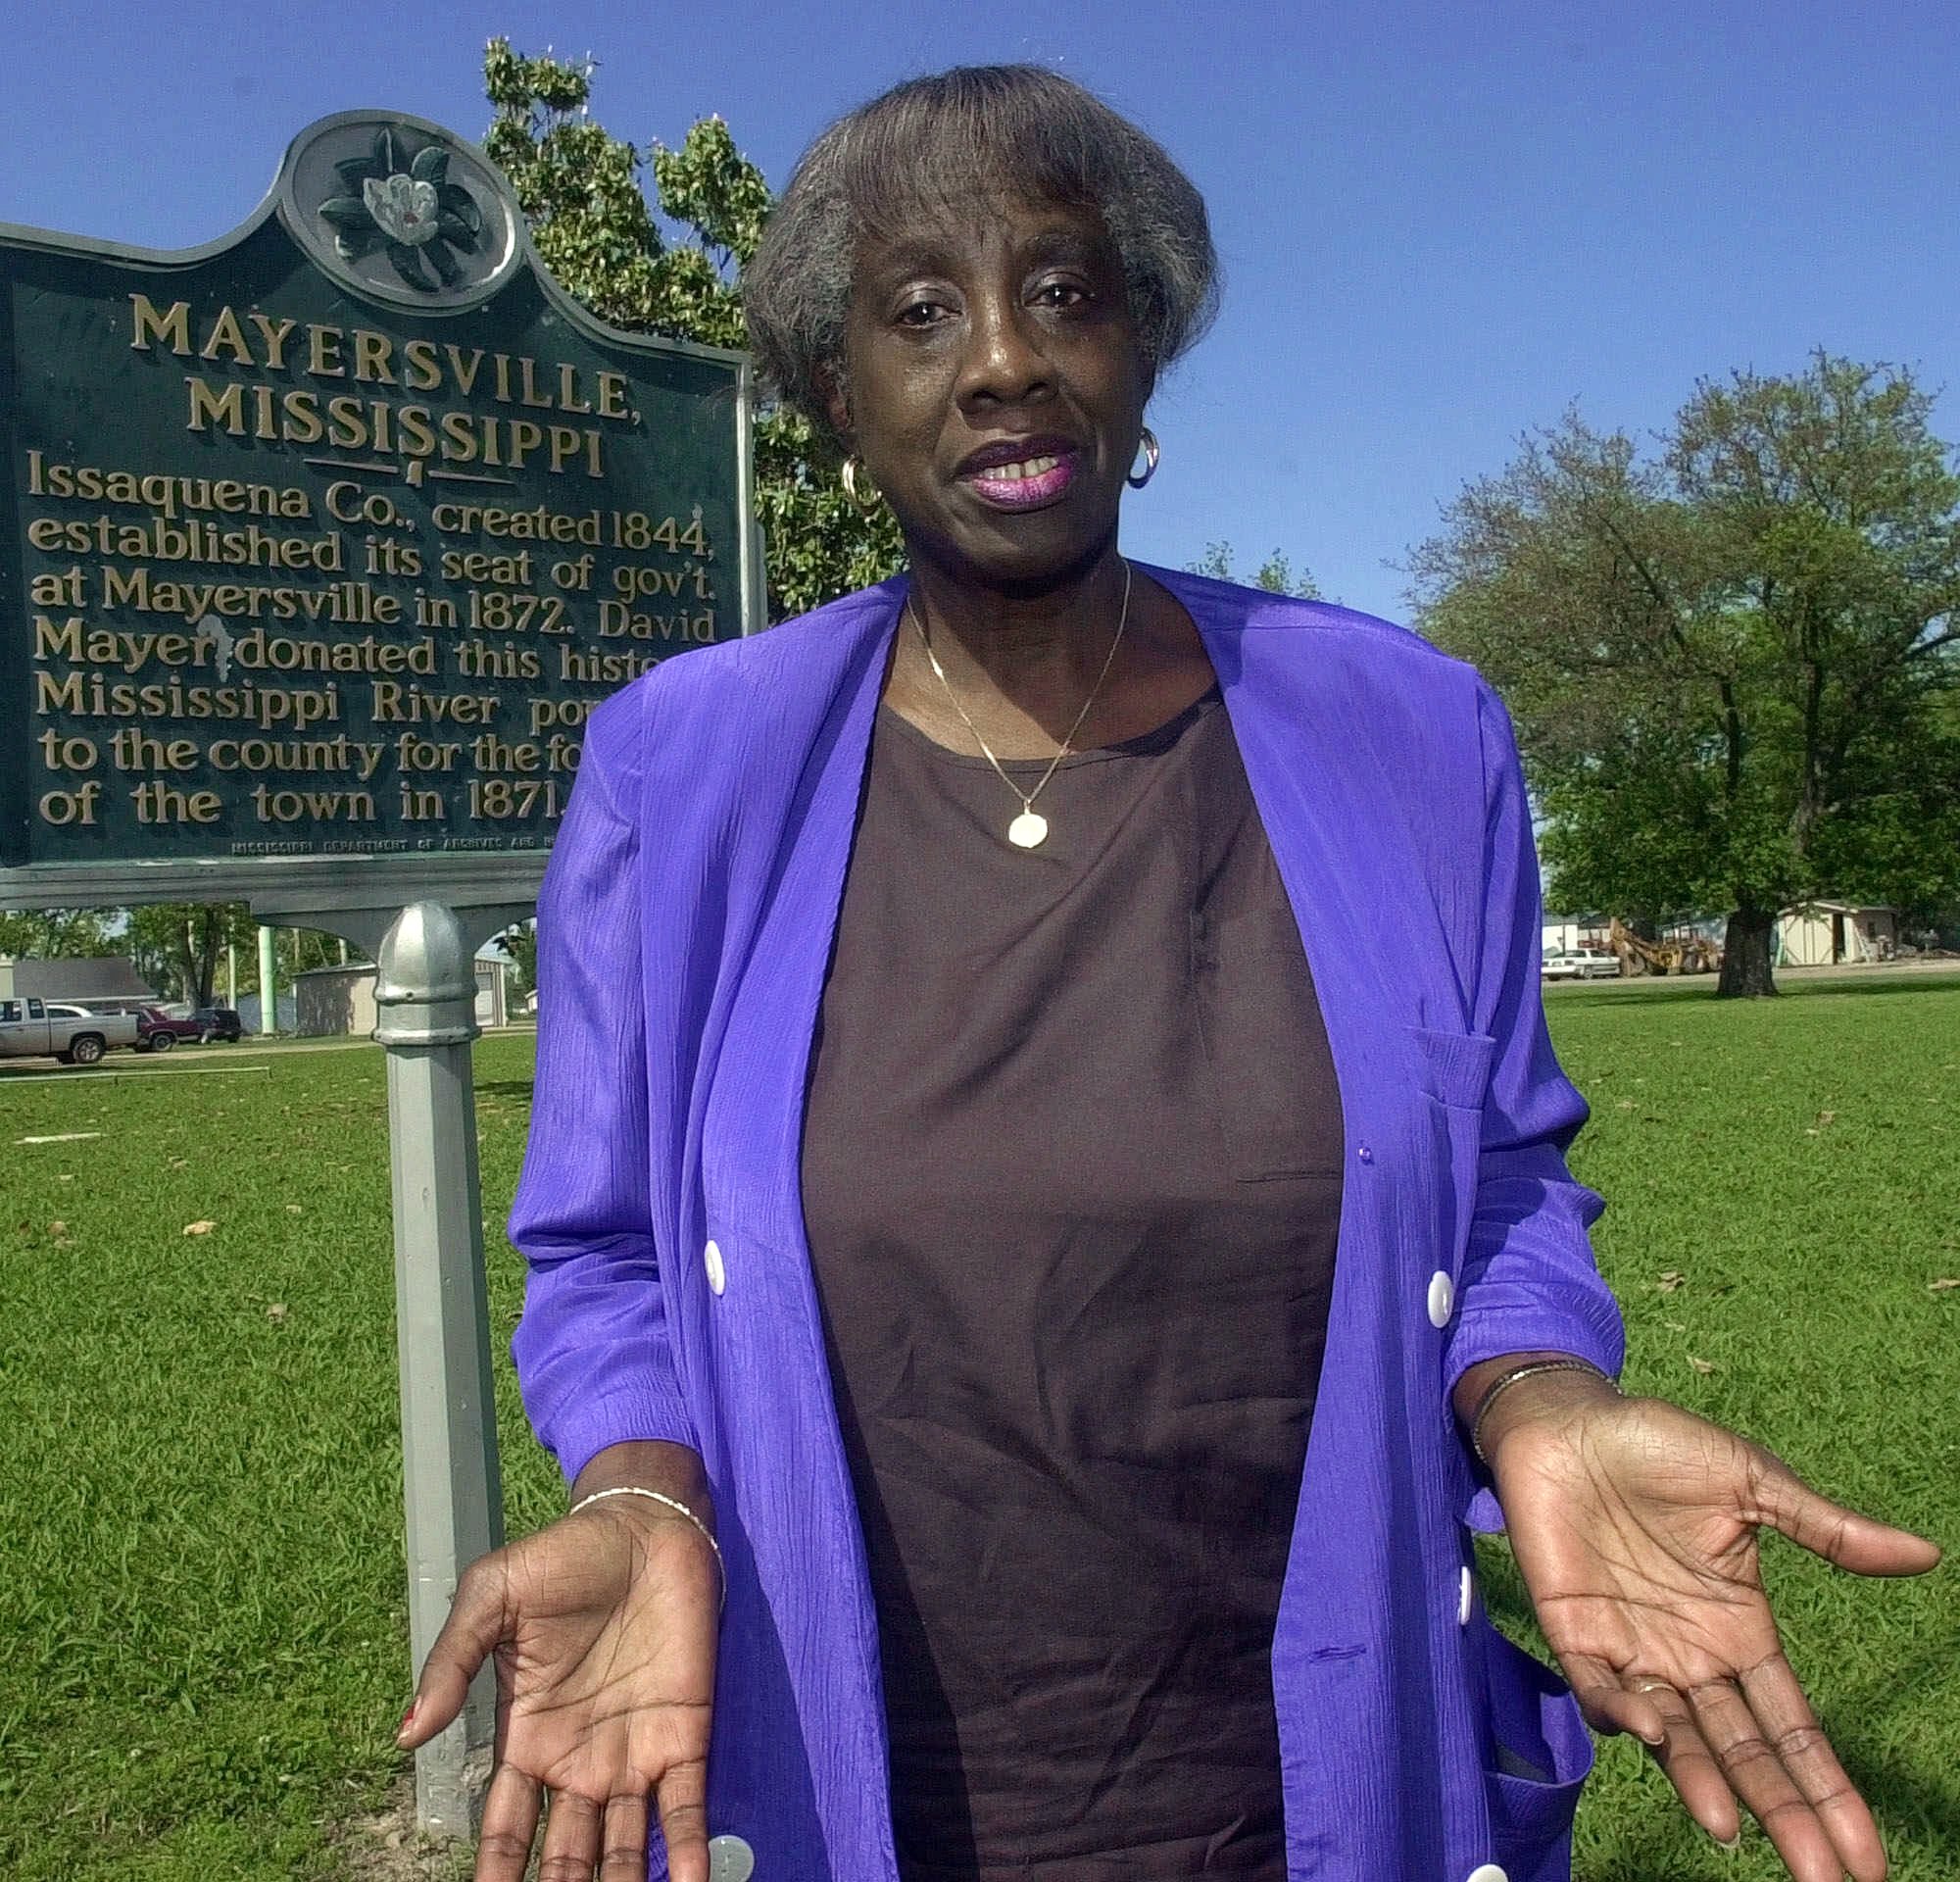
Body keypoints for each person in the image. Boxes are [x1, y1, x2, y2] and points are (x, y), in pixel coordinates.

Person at [399, 65, 1940, 1882]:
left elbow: (1503, 1175)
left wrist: (1542, 1398)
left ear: (1143, 356)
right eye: (919, 312)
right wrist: (641, 1489)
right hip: (840, 1771)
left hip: (1309, 1787)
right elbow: (606, 1253)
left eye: (1064, 291)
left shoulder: (1410, 733)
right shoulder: (685, 769)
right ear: (838, 394)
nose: (1002, 360)